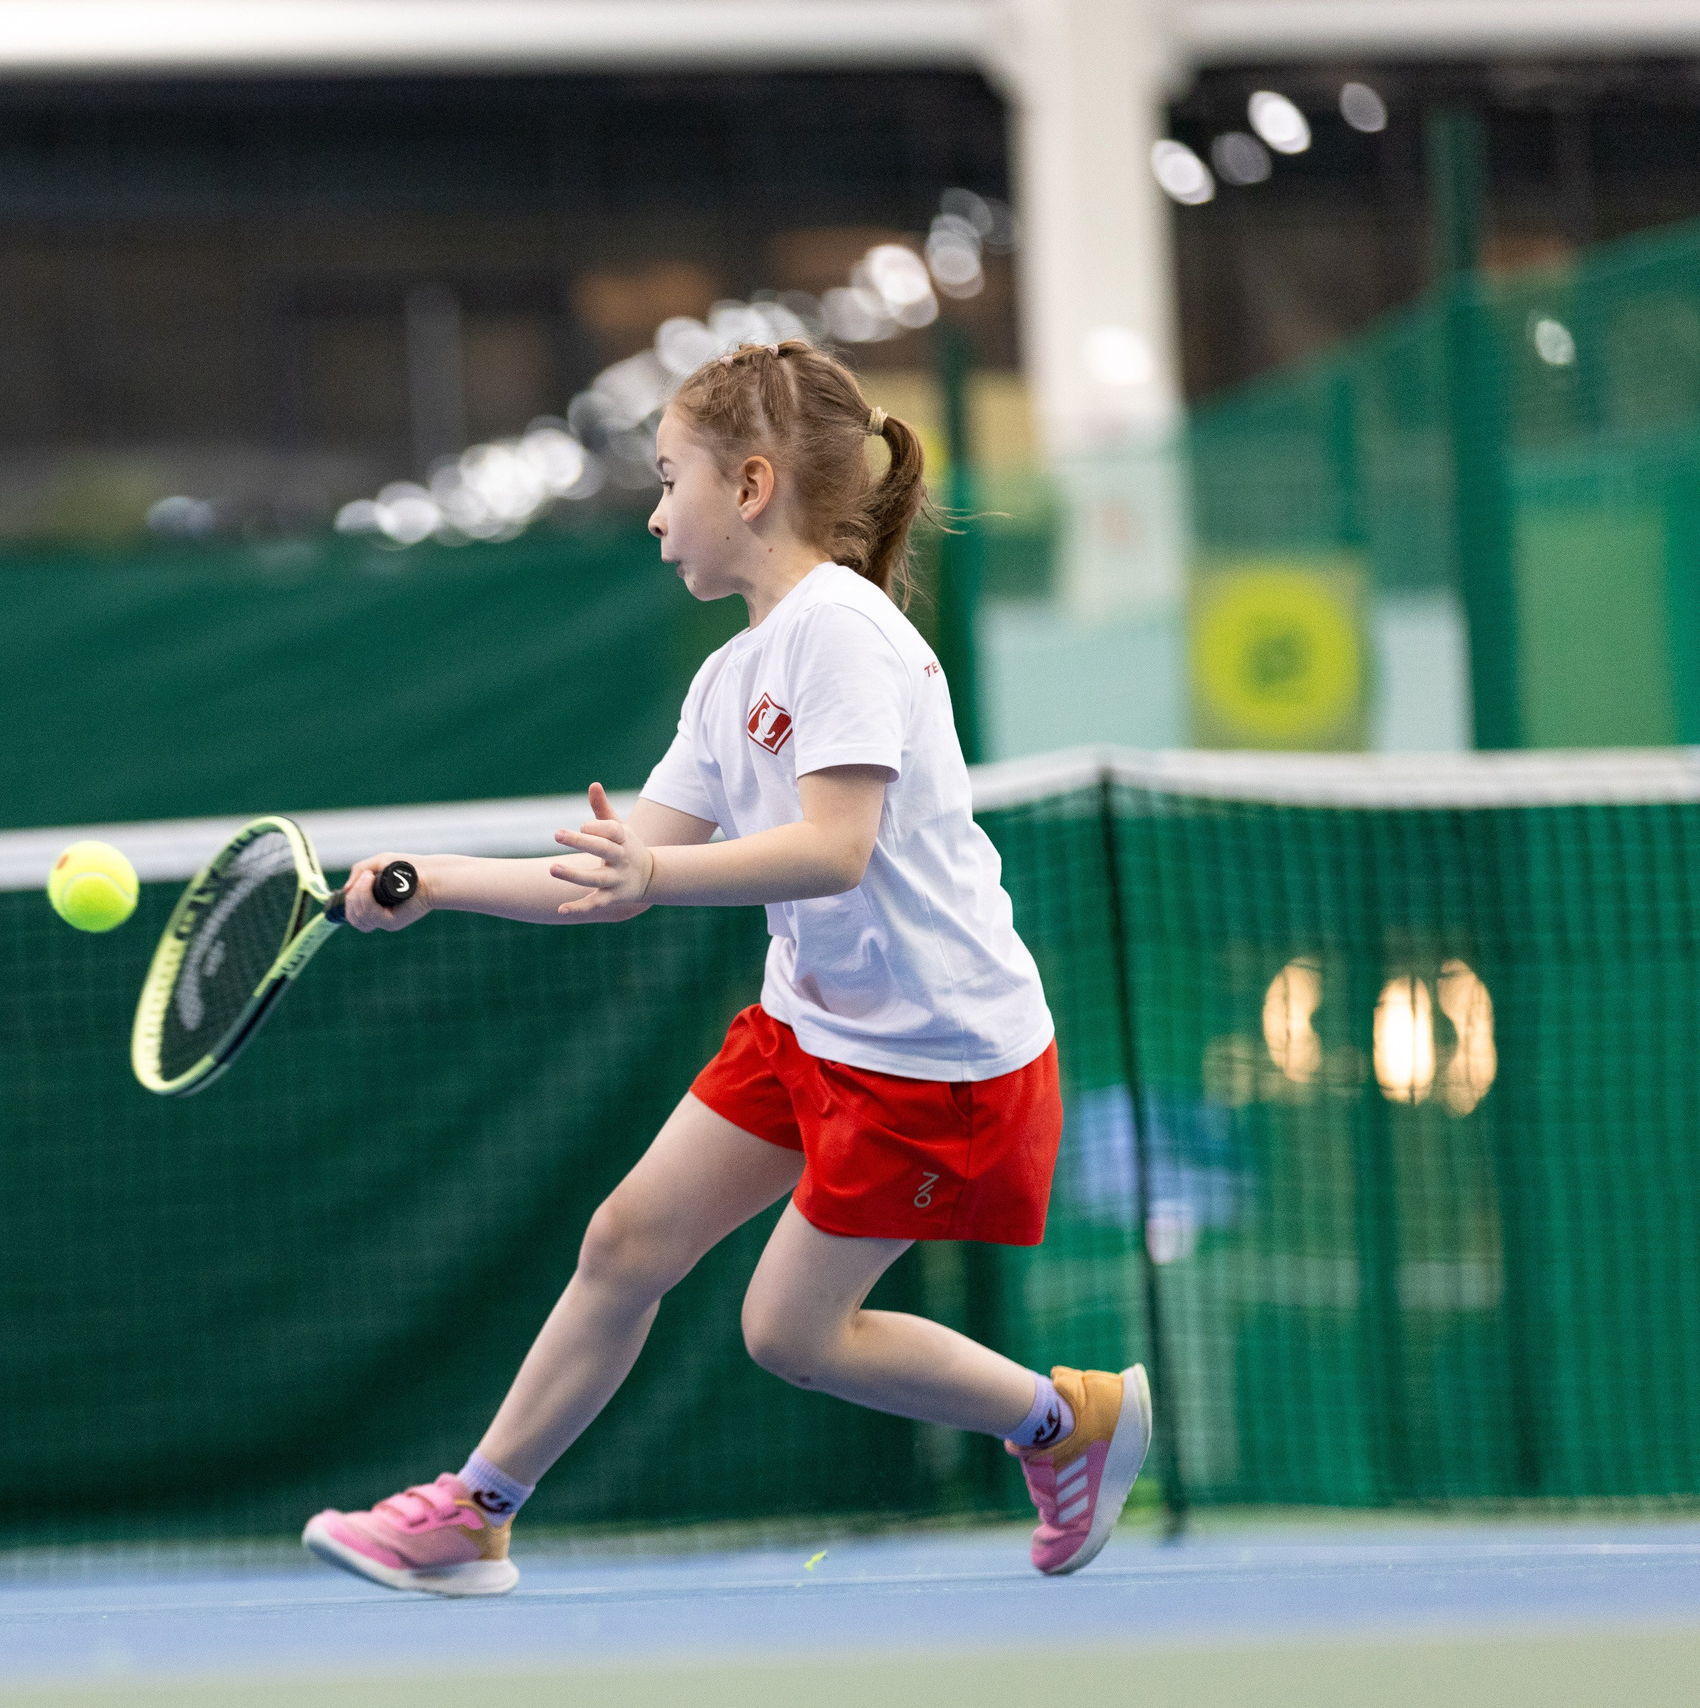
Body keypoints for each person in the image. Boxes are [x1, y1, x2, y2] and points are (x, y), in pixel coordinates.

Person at [303, 339, 1148, 1597]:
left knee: (787, 1334)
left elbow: (836, 849)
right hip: (812, 1025)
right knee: (626, 1238)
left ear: (749, 486)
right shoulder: (727, 676)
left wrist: (653, 879)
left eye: (666, 481)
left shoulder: (842, 632)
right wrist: (434, 878)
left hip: (937, 1056)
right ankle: (474, 1513)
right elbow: (612, 875)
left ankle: (1064, 1419)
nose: (652, 517)